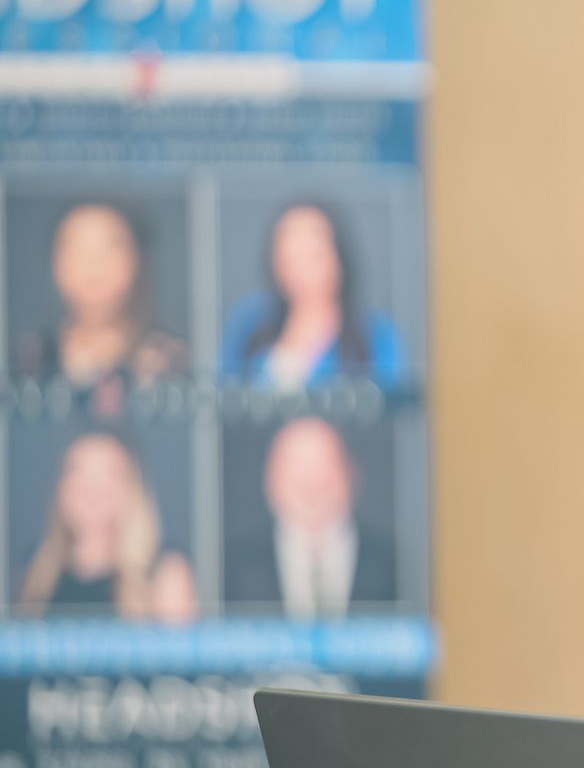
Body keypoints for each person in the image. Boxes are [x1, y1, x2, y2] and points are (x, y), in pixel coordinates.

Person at [13, 201, 187, 407]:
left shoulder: (165, 357)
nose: (94, 262)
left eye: (112, 246)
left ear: (141, 259)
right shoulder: (36, 356)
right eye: (77, 247)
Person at [219, 201, 406, 390]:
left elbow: (387, 404)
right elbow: (226, 395)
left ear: (338, 257)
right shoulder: (251, 325)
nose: (300, 271)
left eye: (312, 256)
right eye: (290, 258)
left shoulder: (372, 335)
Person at [15, 430, 198, 622]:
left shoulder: (166, 574)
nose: (92, 491)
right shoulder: (35, 571)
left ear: (133, 490)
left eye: (109, 476)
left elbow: (177, 649)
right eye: (78, 473)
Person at [224, 417, 398, 618]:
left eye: (325, 465)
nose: (312, 483)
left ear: (351, 474)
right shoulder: (236, 570)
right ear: (270, 479)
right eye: (297, 467)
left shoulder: (394, 565)